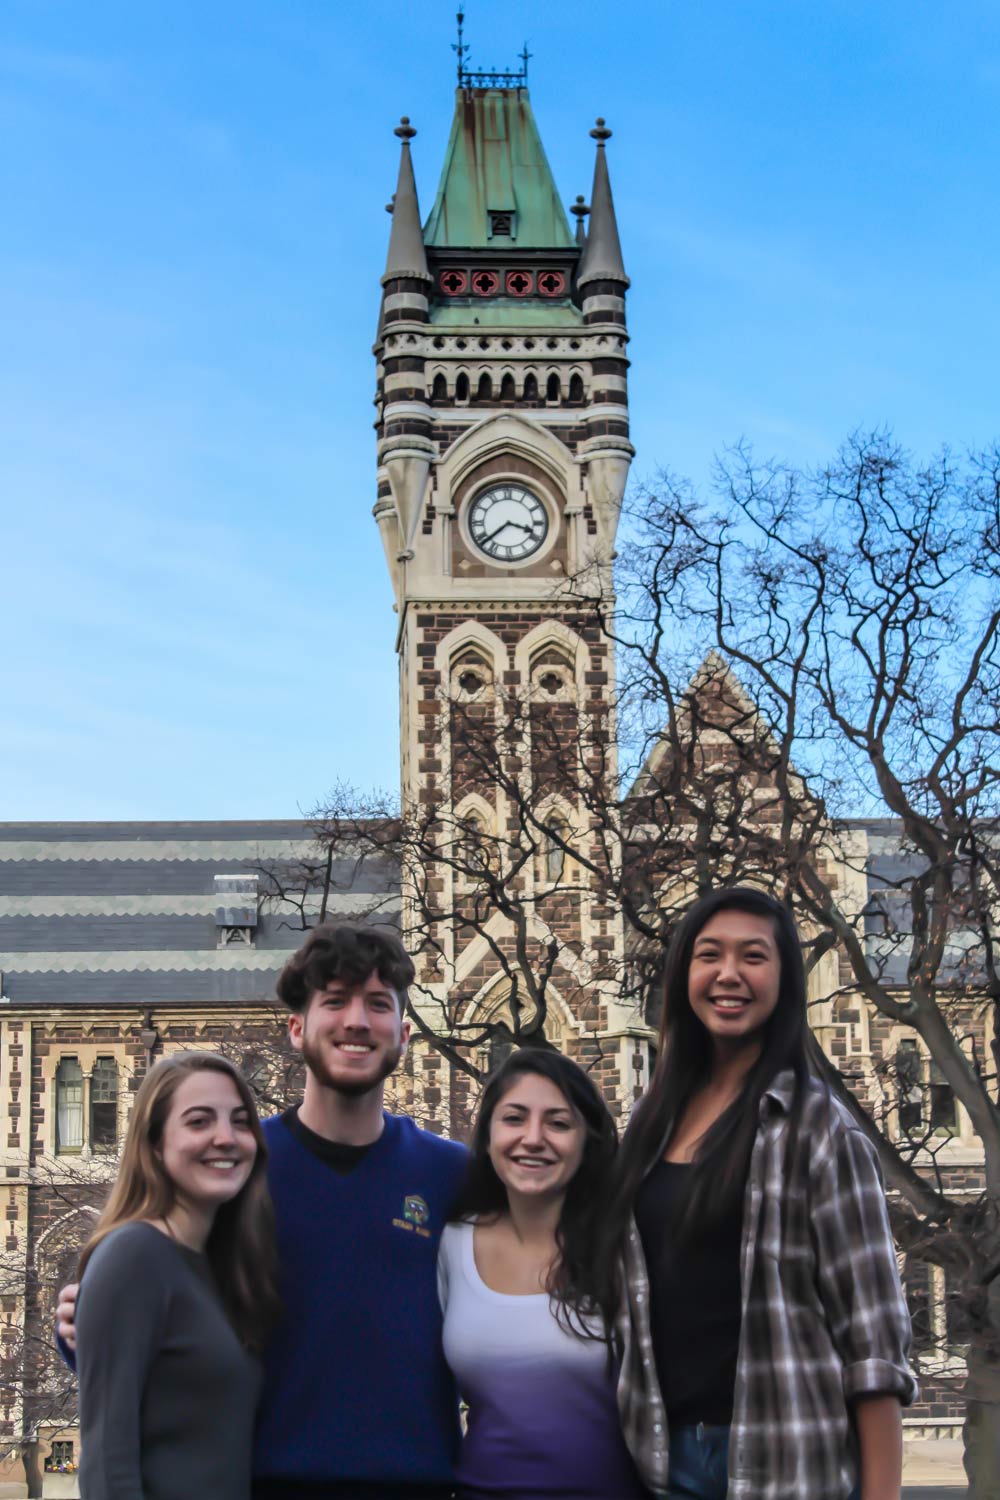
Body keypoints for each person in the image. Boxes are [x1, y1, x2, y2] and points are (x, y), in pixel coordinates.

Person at [60, 922, 468, 1500]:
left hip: (417, 1484)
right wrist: (81, 1328)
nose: (356, 1020)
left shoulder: (451, 1174)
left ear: (403, 1034)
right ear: (296, 1030)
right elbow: (154, 1306)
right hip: (265, 1481)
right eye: (335, 1000)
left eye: (377, 1004)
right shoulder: (234, 1172)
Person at [607, 886, 916, 1500]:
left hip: (789, 1467)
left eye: (753, 956)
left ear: (784, 981)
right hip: (659, 1465)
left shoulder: (820, 1129)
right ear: (682, 975)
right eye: (709, 955)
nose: (728, 974)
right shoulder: (647, 1125)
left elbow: (873, 1347)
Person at [439, 1048, 651, 1500]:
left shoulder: (625, 1246)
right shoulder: (451, 1245)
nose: (533, 1138)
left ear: (587, 1139)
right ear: (489, 1133)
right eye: (514, 1118)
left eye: (558, 1123)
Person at [74, 1051, 280, 1500]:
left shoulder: (225, 1267)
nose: (226, 1138)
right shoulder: (133, 1255)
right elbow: (108, 1465)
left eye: (241, 1121)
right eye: (199, 1121)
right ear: (153, 1144)